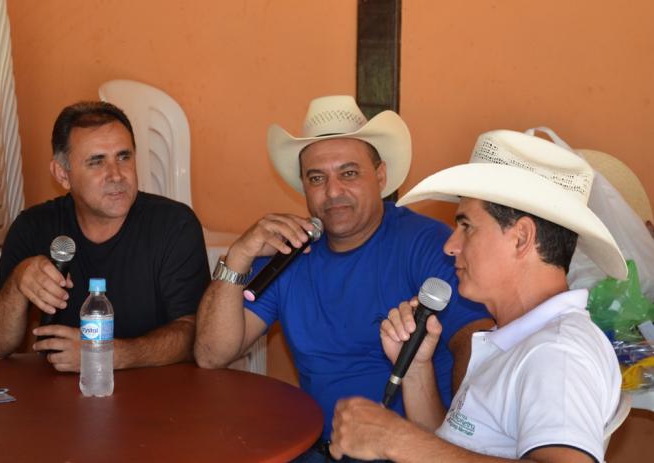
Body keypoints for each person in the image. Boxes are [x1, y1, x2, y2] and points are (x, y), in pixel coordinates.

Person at [194, 95, 492, 459]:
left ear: (380, 177)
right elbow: (211, 354)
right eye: (317, 178)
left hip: (405, 453)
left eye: (349, 173)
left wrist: (462, 446)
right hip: (312, 449)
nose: (333, 192)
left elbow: (475, 342)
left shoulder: (428, 243)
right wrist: (238, 256)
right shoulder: (291, 253)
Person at [329, 129, 627, 463]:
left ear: (521, 238)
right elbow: (450, 448)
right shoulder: (518, 338)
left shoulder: (556, 354)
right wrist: (415, 365)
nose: (450, 246)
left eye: (466, 226)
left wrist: (396, 438)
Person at [0, 101, 210, 372]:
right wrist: (18, 283)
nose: (116, 175)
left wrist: (104, 354)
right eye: (96, 161)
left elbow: (194, 334)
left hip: (156, 399)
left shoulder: (174, 225)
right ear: (63, 175)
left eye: (124, 157)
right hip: (59, 402)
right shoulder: (33, 227)